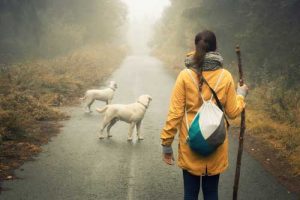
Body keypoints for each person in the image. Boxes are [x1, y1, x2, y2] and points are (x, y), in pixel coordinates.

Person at [160, 30, 248, 200]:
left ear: (195, 47)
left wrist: (166, 143)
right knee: (211, 193)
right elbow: (232, 112)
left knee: (190, 194)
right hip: (215, 144)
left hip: (190, 143)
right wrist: (241, 94)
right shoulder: (225, 76)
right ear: (215, 48)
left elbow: (175, 113)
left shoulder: (185, 75)